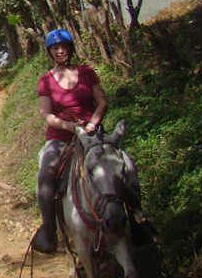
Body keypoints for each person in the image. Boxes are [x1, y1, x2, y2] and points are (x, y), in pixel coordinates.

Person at [33, 30, 157, 254]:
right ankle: (47, 228)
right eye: (55, 48)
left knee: (127, 166)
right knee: (45, 175)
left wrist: (92, 124)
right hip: (61, 136)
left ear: (70, 48)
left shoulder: (87, 72)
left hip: (92, 135)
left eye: (64, 47)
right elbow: (45, 114)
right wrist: (69, 126)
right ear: (50, 52)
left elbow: (101, 102)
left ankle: (138, 219)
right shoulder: (45, 80)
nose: (61, 51)